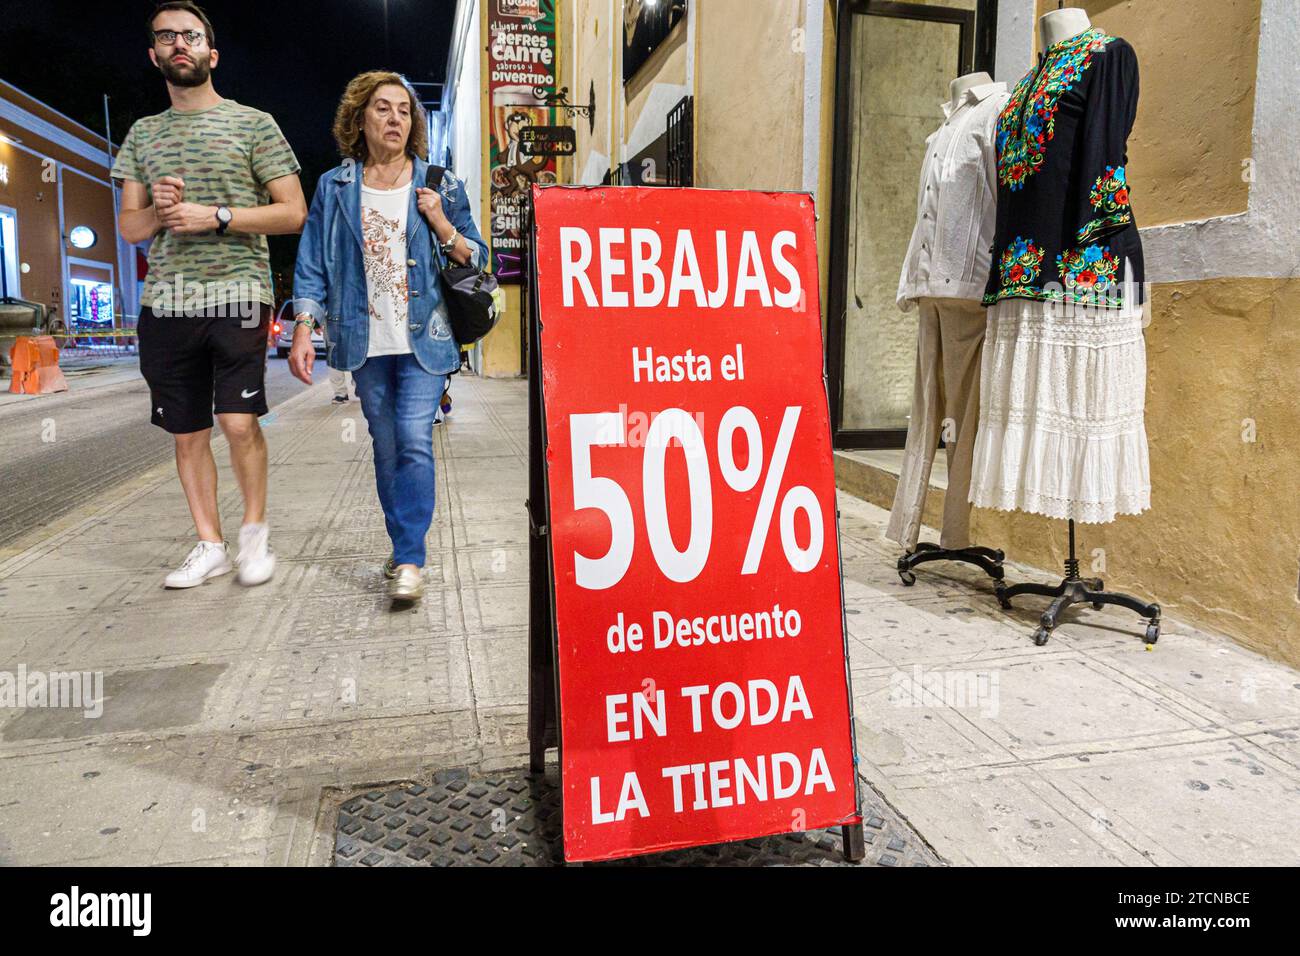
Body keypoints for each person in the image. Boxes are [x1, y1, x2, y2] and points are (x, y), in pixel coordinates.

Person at [113, 1, 307, 589]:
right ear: (154, 54)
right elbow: (128, 228)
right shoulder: (143, 135)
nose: (179, 44)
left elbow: (293, 212)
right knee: (187, 430)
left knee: (238, 419)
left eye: (190, 35)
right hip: (166, 302)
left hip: (238, 293)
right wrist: (160, 211)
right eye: (167, 36)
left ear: (210, 52)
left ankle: (254, 536)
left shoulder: (254, 124)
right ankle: (210, 544)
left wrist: (216, 215)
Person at [290, 71, 487, 602]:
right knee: (387, 443)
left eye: (404, 109)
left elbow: (477, 255)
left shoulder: (438, 184)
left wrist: (441, 222)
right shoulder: (335, 187)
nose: (395, 117)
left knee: (415, 439)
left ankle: (410, 560)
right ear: (360, 119)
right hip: (364, 339)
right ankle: (403, 547)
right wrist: (304, 328)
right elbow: (311, 265)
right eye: (383, 108)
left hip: (427, 338)